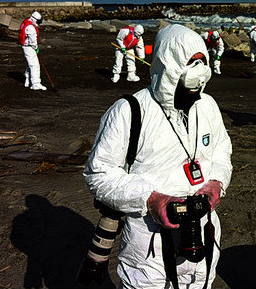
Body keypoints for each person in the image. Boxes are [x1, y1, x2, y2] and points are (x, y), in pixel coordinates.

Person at [84, 24, 233, 289]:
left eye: (202, 61)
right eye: (190, 62)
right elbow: (98, 173)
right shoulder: (129, 111)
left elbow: (222, 150)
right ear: (169, 64)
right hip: (148, 245)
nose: (198, 71)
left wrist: (217, 182)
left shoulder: (208, 106)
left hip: (203, 236)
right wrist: (151, 198)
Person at [18, 11, 47, 91]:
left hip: (27, 46)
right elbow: (33, 41)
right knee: (34, 65)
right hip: (29, 47)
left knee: (30, 63)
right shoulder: (31, 28)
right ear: (34, 19)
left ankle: (27, 80)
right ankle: (35, 84)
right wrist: (36, 48)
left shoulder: (27, 22)